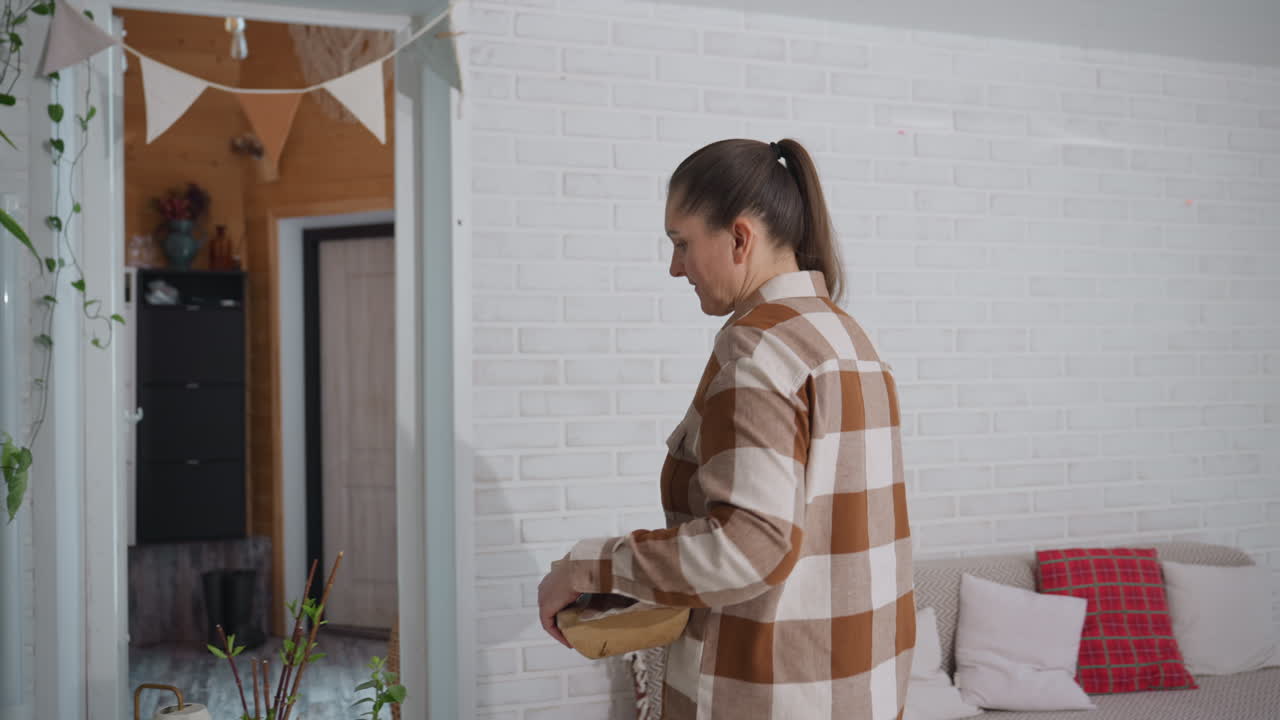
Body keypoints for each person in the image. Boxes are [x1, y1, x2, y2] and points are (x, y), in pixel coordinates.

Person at [538, 138, 915, 720]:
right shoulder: (852, 340)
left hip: (767, 695)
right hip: (863, 693)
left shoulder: (759, 348)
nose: (675, 266)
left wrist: (587, 566)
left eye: (681, 242)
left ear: (739, 238)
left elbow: (751, 547)